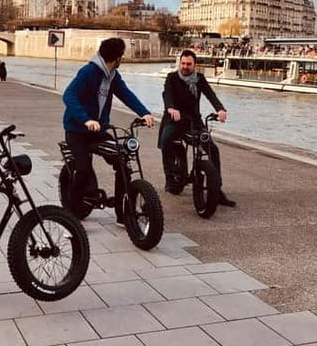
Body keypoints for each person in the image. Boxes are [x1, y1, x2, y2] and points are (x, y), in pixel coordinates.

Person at [62, 38, 154, 221]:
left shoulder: (113, 76)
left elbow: (126, 94)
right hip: (77, 131)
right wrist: (85, 119)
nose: (122, 59)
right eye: (122, 56)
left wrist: (144, 113)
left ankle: (122, 213)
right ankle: (69, 216)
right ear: (117, 57)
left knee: (122, 161)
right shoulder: (89, 72)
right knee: (83, 170)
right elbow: (69, 95)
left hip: (98, 131)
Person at [159, 49, 235, 207]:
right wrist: (171, 108)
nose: (185, 67)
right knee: (166, 141)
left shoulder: (199, 79)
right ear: (180, 63)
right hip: (175, 119)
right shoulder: (172, 77)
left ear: (195, 65)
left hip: (194, 120)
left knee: (212, 149)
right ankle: (171, 175)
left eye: (189, 64)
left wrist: (220, 109)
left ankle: (217, 188)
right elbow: (167, 94)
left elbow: (210, 94)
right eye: (183, 63)